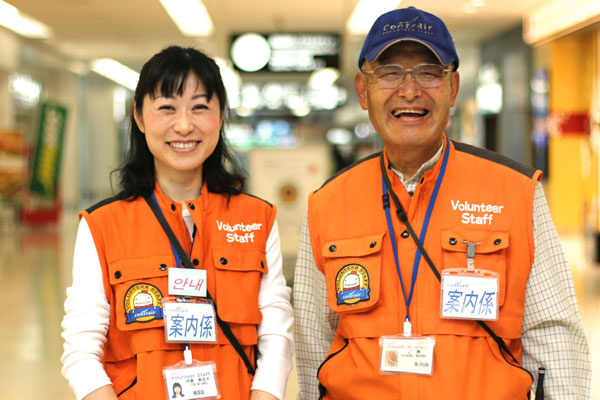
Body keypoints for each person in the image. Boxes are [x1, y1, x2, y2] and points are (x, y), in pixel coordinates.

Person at [293, 6, 591, 400]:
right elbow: (313, 346)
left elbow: (555, 338)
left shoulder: (516, 192)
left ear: (453, 89)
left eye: (429, 72)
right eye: (389, 73)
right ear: (363, 91)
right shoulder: (328, 204)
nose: (410, 90)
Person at [61, 46, 294, 400]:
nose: (184, 125)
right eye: (166, 108)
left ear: (221, 117)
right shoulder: (102, 225)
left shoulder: (257, 218)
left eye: (200, 107)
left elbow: (275, 331)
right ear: (138, 117)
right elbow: (81, 347)